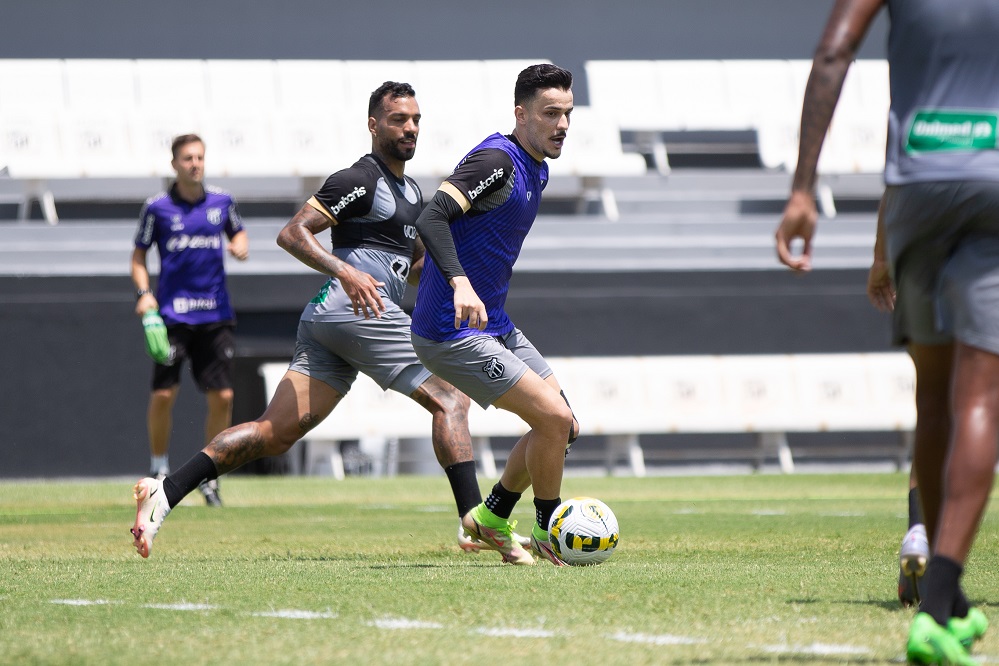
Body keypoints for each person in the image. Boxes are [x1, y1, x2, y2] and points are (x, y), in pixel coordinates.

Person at [130, 82, 528, 563]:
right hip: (355, 306)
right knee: (450, 397)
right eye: (399, 119)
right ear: (373, 124)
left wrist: (466, 275)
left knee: (270, 434)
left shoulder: (413, 190)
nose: (410, 128)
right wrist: (346, 270)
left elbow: (419, 262)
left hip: (332, 320)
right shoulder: (358, 178)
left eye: (416, 119)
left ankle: (165, 492)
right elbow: (291, 233)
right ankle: (473, 521)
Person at [775, 1, 994, 662]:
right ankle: (938, 603)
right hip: (993, 179)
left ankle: (937, 582)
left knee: (933, 396)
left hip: (919, 182)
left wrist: (803, 188)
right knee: (979, 398)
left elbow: (832, 54)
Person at [411, 63, 579, 566]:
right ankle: (549, 530)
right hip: (449, 329)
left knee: (563, 426)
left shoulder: (539, 167)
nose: (562, 125)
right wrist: (459, 282)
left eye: (568, 115)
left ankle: (490, 516)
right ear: (520, 114)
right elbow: (431, 215)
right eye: (551, 113)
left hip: (494, 324)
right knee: (552, 418)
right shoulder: (495, 162)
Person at [131, 133, 249, 507]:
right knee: (164, 394)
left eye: (199, 157)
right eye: (187, 158)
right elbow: (138, 257)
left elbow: (239, 232)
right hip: (172, 316)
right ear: (174, 164)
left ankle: (208, 476)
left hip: (215, 315)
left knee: (223, 395)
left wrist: (241, 244)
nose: (195, 164)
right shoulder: (157, 207)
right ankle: (160, 468)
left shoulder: (222, 202)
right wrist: (144, 294)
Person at [867, 196, 930, 610]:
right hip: (984, 239)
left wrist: (879, 256)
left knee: (936, 400)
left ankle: (918, 530)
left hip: (923, 240)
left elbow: (896, 177)